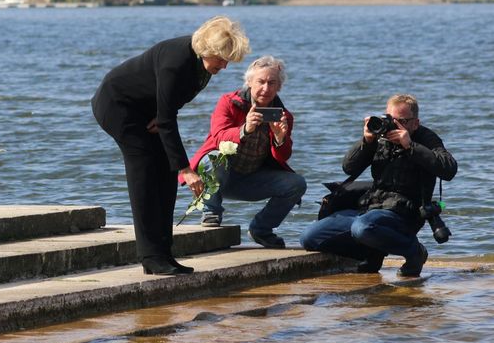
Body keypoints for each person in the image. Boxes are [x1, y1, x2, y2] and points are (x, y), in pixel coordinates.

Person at [91, 16, 251, 276]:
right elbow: (167, 120)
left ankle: (164, 253)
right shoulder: (176, 62)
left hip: (147, 111)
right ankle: (150, 257)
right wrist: (186, 169)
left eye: (227, 60)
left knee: (166, 173)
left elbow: (172, 104)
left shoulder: (201, 65)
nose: (224, 65)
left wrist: (161, 115)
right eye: (221, 58)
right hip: (117, 106)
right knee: (143, 171)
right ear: (207, 50)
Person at [300, 94, 457, 276]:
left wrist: (410, 145)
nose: (395, 126)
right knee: (310, 238)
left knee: (362, 228)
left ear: (415, 123)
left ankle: (415, 251)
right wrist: (366, 141)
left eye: (402, 121)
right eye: (391, 120)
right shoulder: (380, 137)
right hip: (370, 210)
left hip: (404, 214)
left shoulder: (425, 138)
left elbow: (449, 169)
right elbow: (348, 167)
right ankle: (372, 253)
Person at [184, 56, 307, 249]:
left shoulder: (283, 116)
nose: (266, 88)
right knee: (211, 159)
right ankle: (211, 212)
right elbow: (218, 137)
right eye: (261, 82)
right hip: (220, 175)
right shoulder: (229, 103)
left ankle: (261, 229)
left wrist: (279, 138)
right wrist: (245, 129)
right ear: (249, 82)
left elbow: (282, 158)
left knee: (296, 184)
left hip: (251, 179)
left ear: (279, 87)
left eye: (272, 83)